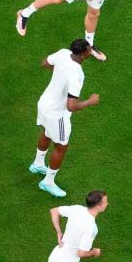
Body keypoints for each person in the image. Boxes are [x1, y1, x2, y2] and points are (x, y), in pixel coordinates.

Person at [31, 39, 100, 198]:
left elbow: (44, 63)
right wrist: (90, 102)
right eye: (89, 49)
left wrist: (60, 74)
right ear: (83, 54)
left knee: (47, 132)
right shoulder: (77, 75)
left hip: (44, 104)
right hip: (58, 113)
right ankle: (48, 182)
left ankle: (38, 164)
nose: (91, 51)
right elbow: (71, 106)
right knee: (61, 147)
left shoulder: (63, 53)